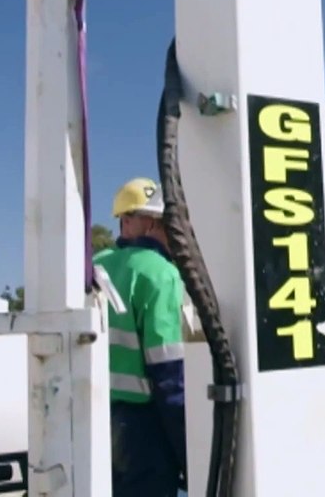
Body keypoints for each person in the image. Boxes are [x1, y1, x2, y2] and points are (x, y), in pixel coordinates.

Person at [95, 177, 188, 496]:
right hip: (144, 430)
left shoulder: (95, 267)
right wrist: (189, 451)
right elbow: (170, 374)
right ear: (146, 224)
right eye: (163, 223)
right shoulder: (161, 273)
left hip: (95, 422)